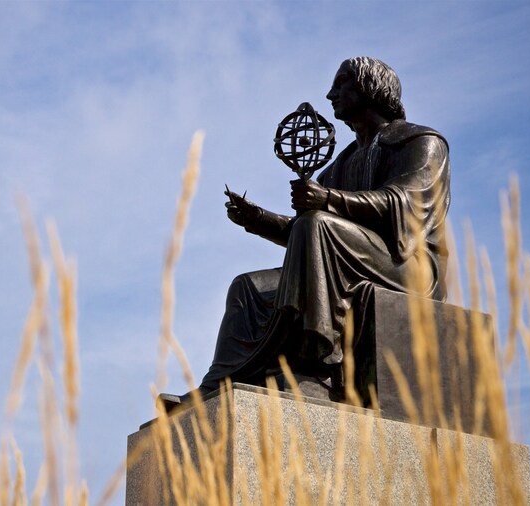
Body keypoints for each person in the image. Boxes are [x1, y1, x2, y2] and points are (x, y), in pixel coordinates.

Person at [178, 57, 450, 404]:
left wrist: (328, 200)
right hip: (348, 260)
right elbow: (306, 239)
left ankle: (316, 368)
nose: (330, 94)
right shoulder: (341, 164)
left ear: (369, 88)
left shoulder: (421, 143)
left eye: (341, 85)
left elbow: (403, 204)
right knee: (248, 288)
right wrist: (259, 220)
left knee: (316, 224)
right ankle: (220, 384)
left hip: (407, 265)